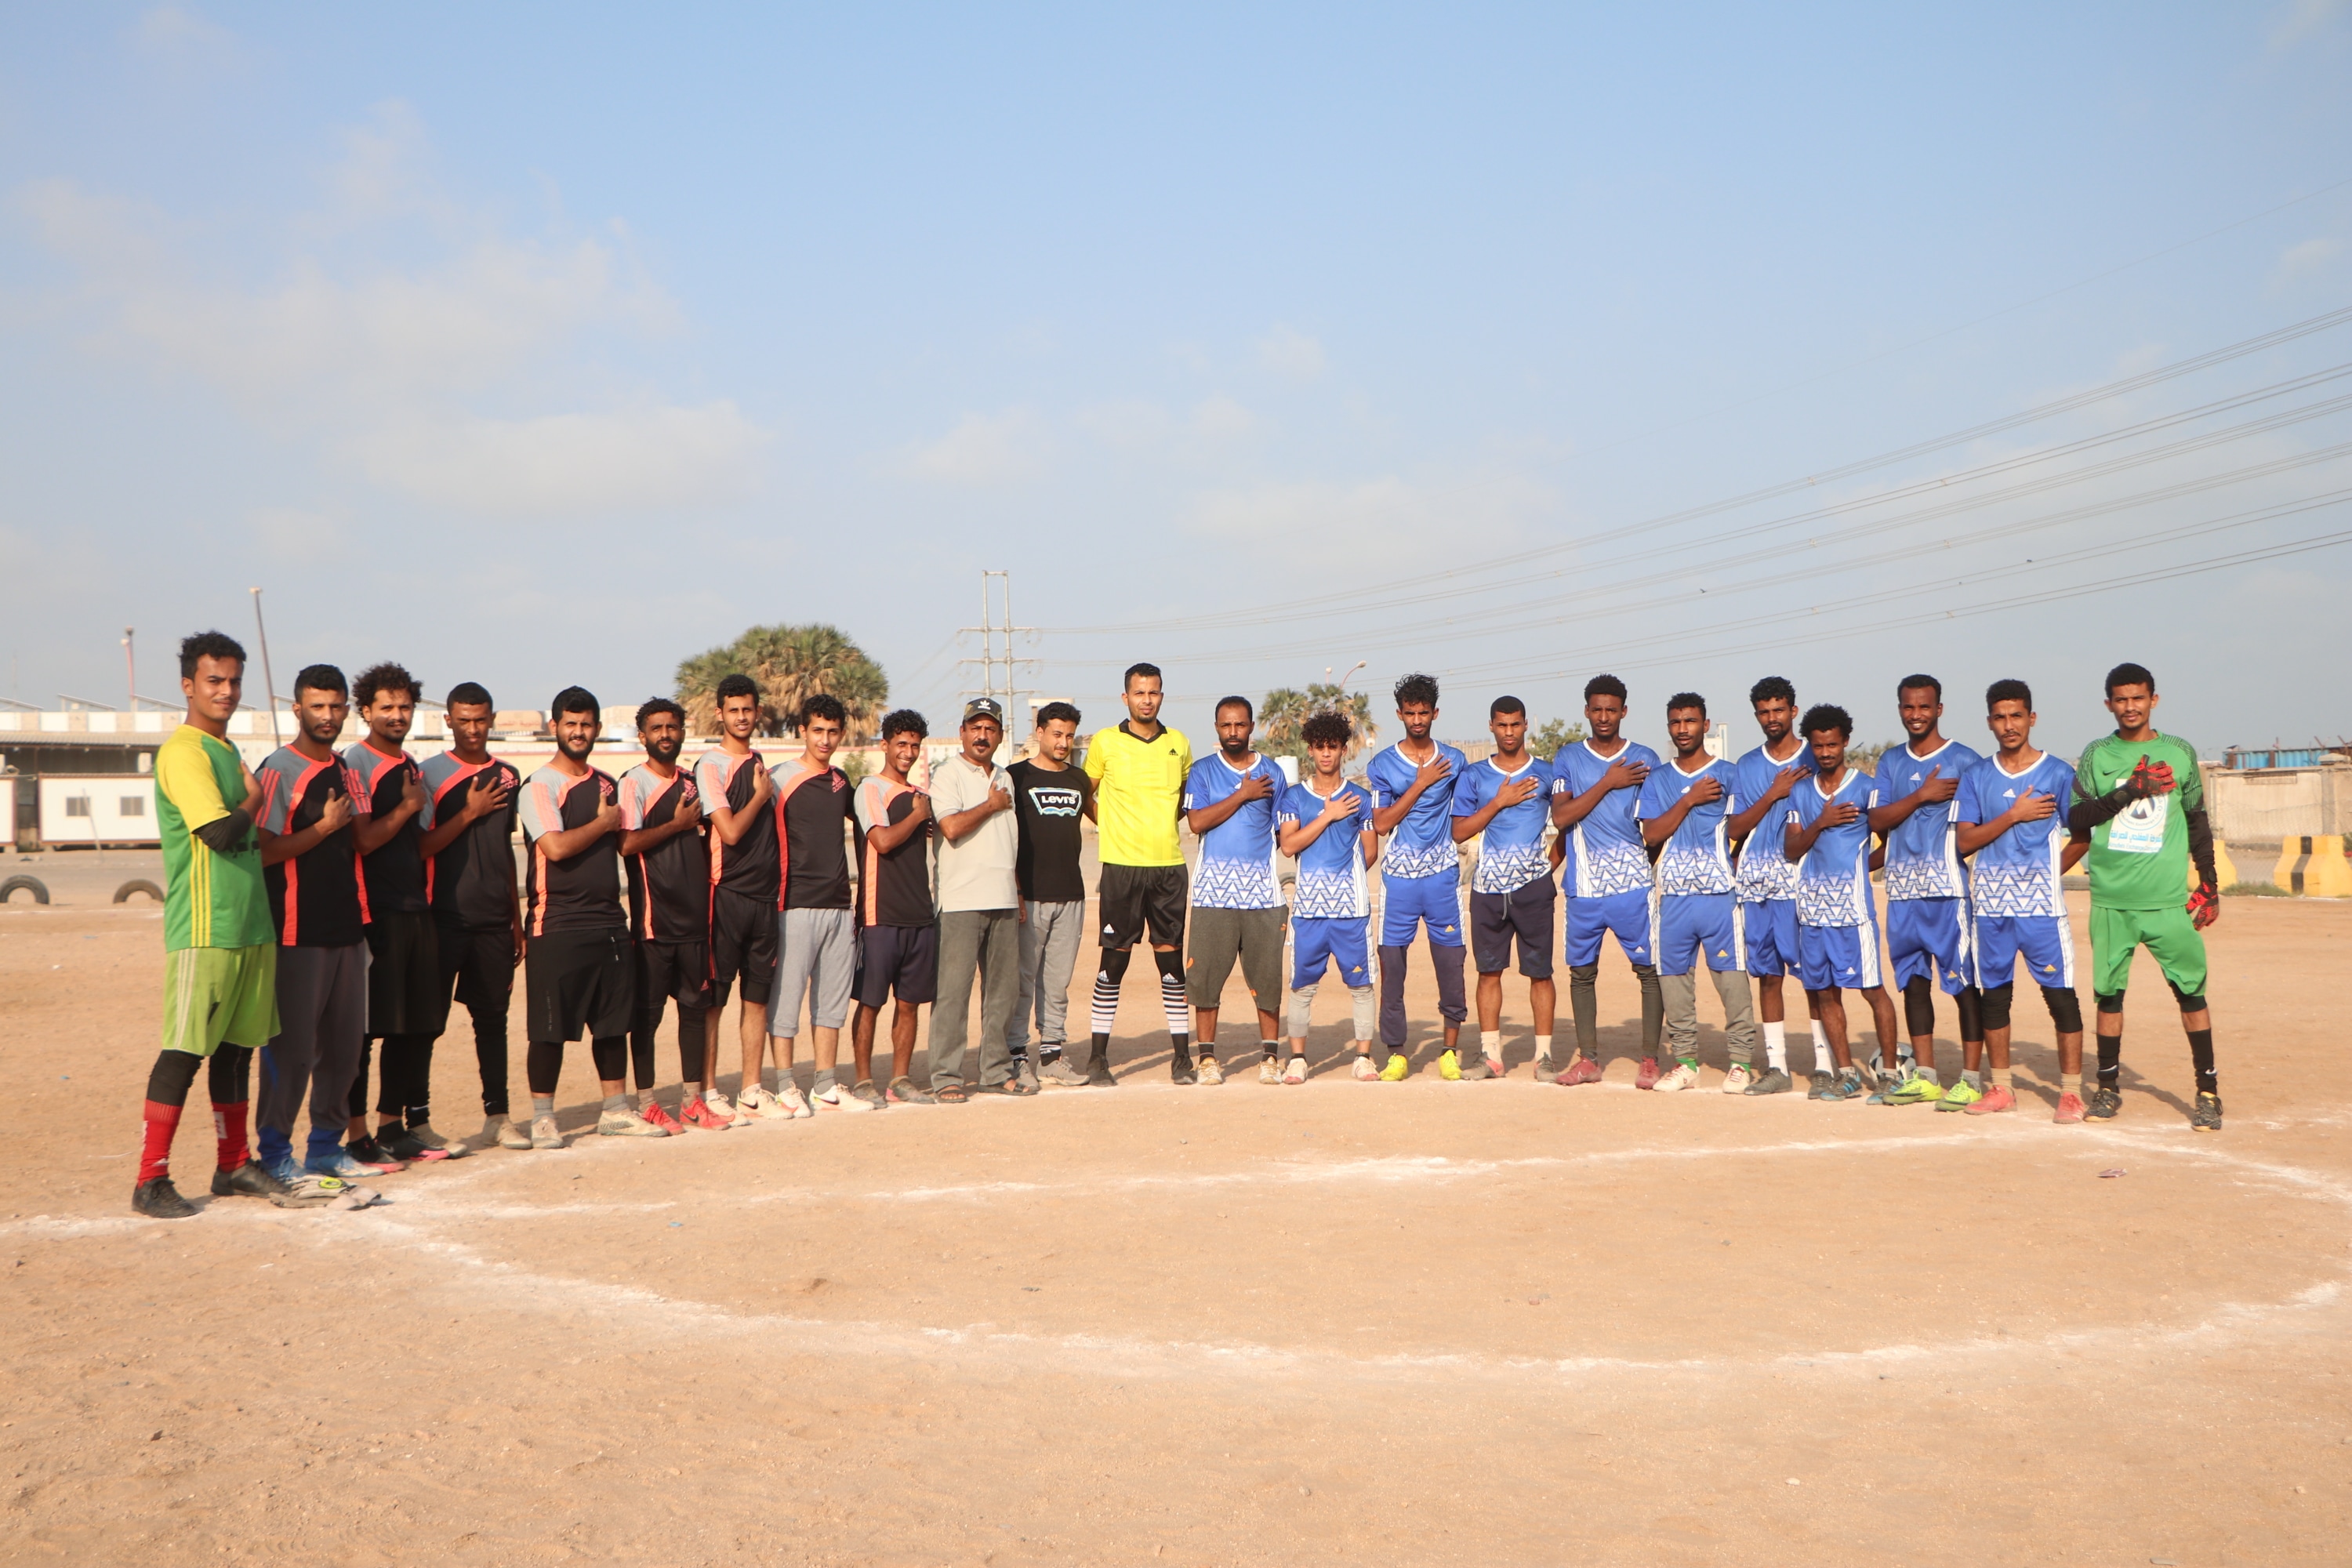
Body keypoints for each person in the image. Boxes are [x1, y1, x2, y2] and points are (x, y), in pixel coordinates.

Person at [132, 630, 293, 1218]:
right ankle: (150, 1178)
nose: (226, 691)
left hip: (251, 925)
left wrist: (249, 792)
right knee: (183, 1052)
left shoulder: (225, 750)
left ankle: (233, 1165)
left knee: (236, 1052)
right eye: (213, 681)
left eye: (233, 681)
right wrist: (253, 799)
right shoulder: (184, 752)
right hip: (207, 929)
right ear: (188, 686)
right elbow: (220, 833)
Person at [2066, 662, 2223, 1131]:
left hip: (2167, 900)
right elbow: (2077, 819)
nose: (2130, 707)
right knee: (2109, 996)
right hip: (2112, 899)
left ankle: (2208, 1093)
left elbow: (2196, 820)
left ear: (2154, 700)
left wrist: (2209, 883)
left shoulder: (2179, 752)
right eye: (2121, 699)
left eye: (2138, 698)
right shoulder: (2097, 754)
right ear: (2109, 704)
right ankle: (2107, 1088)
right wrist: (2129, 792)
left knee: (2191, 993)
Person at [506, 687, 666, 1147]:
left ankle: (615, 1110)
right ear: (554, 727)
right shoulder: (539, 786)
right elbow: (555, 848)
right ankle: (543, 1117)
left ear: (597, 729)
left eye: (586, 724)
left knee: (613, 1025)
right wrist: (602, 823)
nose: (579, 732)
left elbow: (627, 843)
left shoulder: (608, 785)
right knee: (549, 1030)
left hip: (609, 922)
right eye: (570, 724)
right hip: (556, 924)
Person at [253, 663, 373, 1195]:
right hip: (297, 933)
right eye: (317, 706)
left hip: (348, 930)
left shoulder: (348, 770)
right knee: (292, 1051)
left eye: (335, 706)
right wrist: (323, 827)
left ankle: (326, 1147)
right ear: (297, 709)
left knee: (345, 1051)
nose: (327, 716)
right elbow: (262, 851)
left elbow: (362, 842)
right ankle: (275, 1155)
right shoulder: (277, 770)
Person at [1953, 680, 2087, 1120]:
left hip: (2042, 911)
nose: (2008, 725)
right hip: (1990, 908)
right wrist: (2013, 815)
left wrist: (2046, 875)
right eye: (2000, 717)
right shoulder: (1977, 776)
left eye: (2016, 716)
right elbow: (1965, 842)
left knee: (2060, 997)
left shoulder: (2058, 773)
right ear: (1989, 722)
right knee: (1994, 998)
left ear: (2032, 718)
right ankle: (2001, 1088)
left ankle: (2071, 1093)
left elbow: (2081, 837)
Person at [343, 662, 458, 1165]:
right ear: (365, 710)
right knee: (366, 1032)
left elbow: (422, 844)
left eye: (405, 706)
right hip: (376, 912)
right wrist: (408, 807)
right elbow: (364, 840)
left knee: (410, 1027)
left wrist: (469, 813)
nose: (397, 715)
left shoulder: (412, 765)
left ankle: (393, 1128)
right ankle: (357, 1135)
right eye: (386, 707)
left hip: (416, 908)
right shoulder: (356, 762)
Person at [1864, 675, 1984, 1106]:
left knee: (1964, 986)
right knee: (1913, 985)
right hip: (1902, 892)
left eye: (1924, 707)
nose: (1916, 715)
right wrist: (1922, 795)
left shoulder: (1966, 760)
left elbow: (1980, 822)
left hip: (1948, 892)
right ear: (1900, 709)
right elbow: (1877, 820)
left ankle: (1971, 1078)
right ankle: (1927, 1076)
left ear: (1939, 709)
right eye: (1908, 707)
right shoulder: (1891, 761)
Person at [418, 681, 524, 1149]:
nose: (473, 729)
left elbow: (504, 850)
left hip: (495, 922)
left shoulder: (508, 775)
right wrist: (469, 812)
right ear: (449, 721)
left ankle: (497, 1117)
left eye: (481, 720)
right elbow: (421, 847)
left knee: (492, 1021)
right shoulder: (429, 775)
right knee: (428, 1023)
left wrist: (516, 919)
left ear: (492, 719)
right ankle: (417, 1121)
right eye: (464, 721)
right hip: (443, 919)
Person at [1548, 675, 1665, 1087]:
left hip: (1633, 887)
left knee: (1649, 971)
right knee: (1582, 973)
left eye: (1611, 710)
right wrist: (1608, 782)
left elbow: (1656, 827)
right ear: (1586, 711)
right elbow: (1562, 817)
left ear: (1623, 712)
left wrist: (1641, 864)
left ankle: (1649, 1059)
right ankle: (1588, 1061)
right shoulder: (1568, 758)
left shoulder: (1645, 759)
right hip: (1584, 889)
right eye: (1596, 709)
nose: (1603, 717)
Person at [1635, 693, 1756, 1093]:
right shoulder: (1658, 779)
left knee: (1732, 983)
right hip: (1673, 897)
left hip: (1719, 896)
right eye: (1675, 722)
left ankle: (1740, 1062)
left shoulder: (1729, 774)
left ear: (1705, 725)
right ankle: (1686, 1063)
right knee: (1674, 982)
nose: (1682, 729)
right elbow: (1652, 834)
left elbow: (1742, 827)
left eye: (1690, 721)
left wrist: (1734, 859)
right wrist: (1688, 800)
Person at [1081, 664, 1195, 1086]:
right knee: (1113, 962)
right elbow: (1084, 793)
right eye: (1139, 692)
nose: (1147, 700)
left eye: (1154, 692)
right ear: (1125, 697)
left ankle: (1182, 1059)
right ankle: (1098, 1059)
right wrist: (1108, 825)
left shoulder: (1179, 742)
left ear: (1162, 696)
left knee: (1171, 964)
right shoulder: (1105, 742)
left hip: (1168, 868)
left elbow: (1185, 799)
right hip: (1121, 868)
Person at [1782, 704, 1901, 1101]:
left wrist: (1857, 870)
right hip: (1812, 912)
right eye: (1818, 746)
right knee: (1825, 993)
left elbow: (1890, 844)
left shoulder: (1866, 788)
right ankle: (1847, 1074)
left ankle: (1889, 1074)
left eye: (1832, 745)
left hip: (1853, 911)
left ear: (1845, 742)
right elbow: (1791, 849)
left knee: (1872, 990)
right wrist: (1821, 822)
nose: (1825, 752)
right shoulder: (1801, 791)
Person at [619, 698, 721, 1133]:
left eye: (672, 727)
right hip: (654, 923)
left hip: (695, 922)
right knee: (648, 1016)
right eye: (657, 728)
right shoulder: (633, 783)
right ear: (642, 736)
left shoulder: (693, 783)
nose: (666, 734)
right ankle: (646, 1103)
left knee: (694, 1012)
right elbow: (626, 844)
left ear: (683, 732)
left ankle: (692, 1102)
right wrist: (677, 825)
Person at [1366, 674, 1472, 1074]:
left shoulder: (1455, 761)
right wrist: (1420, 782)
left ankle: (1449, 1051)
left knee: (1452, 965)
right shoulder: (1382, 764)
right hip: (1399, 880)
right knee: (1393, 969)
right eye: (1410, 713)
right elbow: (1381, 823)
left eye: (1423, 713)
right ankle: (1396, 1053)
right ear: (1399, 714)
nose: (1417, 720)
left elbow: (1463, 817)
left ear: (1435, 714)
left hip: (1443, 876)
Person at [1726, 677, 1826, 1095]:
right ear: (1757, 715)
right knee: (1768, 976)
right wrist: (1772, 794)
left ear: (1793, 712)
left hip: (1803, 882)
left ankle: (1825, 1065)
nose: (1772, 718)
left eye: (1779, 710)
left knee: (1815, 977)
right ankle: (1777, 1067)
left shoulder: (1816, 755)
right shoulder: (1747, 765)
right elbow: (1734, 828)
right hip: (1756, 884)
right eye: (1764, 712)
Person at [1181, 696, 1287, 1085]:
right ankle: (1207, 1059)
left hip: (1263, 897)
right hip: (1213, 895)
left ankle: (1270, 1058)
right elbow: (1196, 822)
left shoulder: (1273, 772)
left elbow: (1284, 833)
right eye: (1226, 725)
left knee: (1268, 982)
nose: (1233, 732)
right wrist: (1242, 794)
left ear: (1251, 727)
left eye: (1240, 725)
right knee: (1205, 982)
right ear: (1216, 728)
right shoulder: (1203, 771)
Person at [1452, 696, 1556, 1084]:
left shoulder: (1547, 773)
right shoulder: (1475, 776)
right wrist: (1498, 802)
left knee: (1540, 973)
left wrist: (1546, 868)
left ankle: (1544, 1057)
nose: (1509, 732)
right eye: (1502, 725)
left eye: (1515, 724)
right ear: (1492, 727)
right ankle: (1491, 1056)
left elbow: (1566, 822)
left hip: (1534, 889)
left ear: (1526, 725)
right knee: (1488, 972)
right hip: (1488, 889)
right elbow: (1459, 831)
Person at [695, 673, 786, 1122]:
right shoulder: (710, 765)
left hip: (765, 899)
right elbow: (729, 831)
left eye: (748, 709)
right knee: (715, 1000)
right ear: (720, 714)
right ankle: (709, 1090)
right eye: (733, 710)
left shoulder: (759, 761)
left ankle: (751, 1088)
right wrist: (760, 796)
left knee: (758, 999)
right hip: (726, 894)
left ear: (758, 711)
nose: (742, 717)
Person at [927, 697, 1027, 1102]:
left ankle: (995, 1071)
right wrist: (991, 804)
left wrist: (1017, 891)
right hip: (960, 901)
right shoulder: (946, 774)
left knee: (1003, 992)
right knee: (953, 993)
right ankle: (946, 1076)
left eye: (990, 729)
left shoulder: (1005, 777)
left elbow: (1009, 840)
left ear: (1000, 735)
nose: (982, 736)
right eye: (975, 728)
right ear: (963, 732)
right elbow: (950, 827)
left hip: (1003, 897)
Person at [1276, 711, 1380, 1082]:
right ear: (1310, 750)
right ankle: (1298, 1059)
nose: (1326, 753)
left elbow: (1370, 853)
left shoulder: (1361, 798)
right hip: (1308, 912)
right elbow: (1289, 845)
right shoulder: (1293, 797)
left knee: (1362, 986)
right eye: (1319, 747)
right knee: (1302, 987)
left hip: (1352, 911)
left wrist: (1343, 883)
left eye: (1332, 747)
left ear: (1343, 750)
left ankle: (1363, 1057)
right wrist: (1328, 815)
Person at [770, 693, 860, 1112]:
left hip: (840, 905)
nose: (825, 740)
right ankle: (785, 1085)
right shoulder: (778, 778)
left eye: (833, 732)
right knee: (786, 999)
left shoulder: (841, 780)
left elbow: (872, 817)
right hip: (794, 903)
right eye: (817, 731)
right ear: (802, 731)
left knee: (831, 1002)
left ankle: (825, 1085)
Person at [1005, 702, 1092, 1088]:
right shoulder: (1015, 776)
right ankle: (1016, 1057)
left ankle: (1052, 1057)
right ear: (1039, 732)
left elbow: (1107, 818)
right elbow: (1002, 837)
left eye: (1069, 736)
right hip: (1029, 897)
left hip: (1071, 895)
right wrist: (1016, 891)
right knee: (1023, 981)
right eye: (1056, 734)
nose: (1063, 742)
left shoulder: (1079, 779)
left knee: (1057, 983)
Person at [854, 710, 939, 1106]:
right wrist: (918, 816)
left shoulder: (920, 795)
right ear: (884, 745)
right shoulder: (871, 788)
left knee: (909, 1004)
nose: (908, 752)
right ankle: (863, 1081)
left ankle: (900, 1080)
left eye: (914, 745)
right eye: (901, 744)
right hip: (879, 914)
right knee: (871, 1002)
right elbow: (883, 842)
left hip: (919, 914)